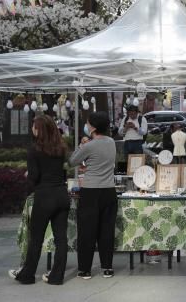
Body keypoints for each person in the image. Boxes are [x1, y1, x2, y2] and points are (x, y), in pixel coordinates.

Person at [9, 115, 70, 285]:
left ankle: (28, 275)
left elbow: (34, 177)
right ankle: (57, 277)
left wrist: (29, 174)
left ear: (39, 130)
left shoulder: (34, 150)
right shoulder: (61, 148)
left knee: (36, 238)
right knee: (61, 239)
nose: (32, 129)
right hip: (62, 195)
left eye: (34, 126)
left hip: (44, 197)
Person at [69, 111, 117, 280]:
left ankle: (85, 269)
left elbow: (72, 161)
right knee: (106, 230)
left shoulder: (89, 145)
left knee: (87, 230)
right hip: (109, 191)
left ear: (93, 127)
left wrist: (81, 146)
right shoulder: (111, 142)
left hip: (90, 191)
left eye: (88, 123)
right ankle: (107, 268)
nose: (86, 126)